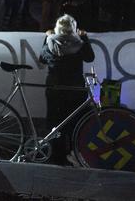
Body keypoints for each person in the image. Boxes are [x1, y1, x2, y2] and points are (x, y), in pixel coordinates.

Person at [39, 14, 95, 165]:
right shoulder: (80, 44)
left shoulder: (50, 42)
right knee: (75, 124)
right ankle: (73, 155)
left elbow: (41, 59)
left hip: (54, 90)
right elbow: (90, 57)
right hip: (75, 90)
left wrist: (47, 38)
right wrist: (85, 37)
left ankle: (55, 157)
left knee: (54, 124)